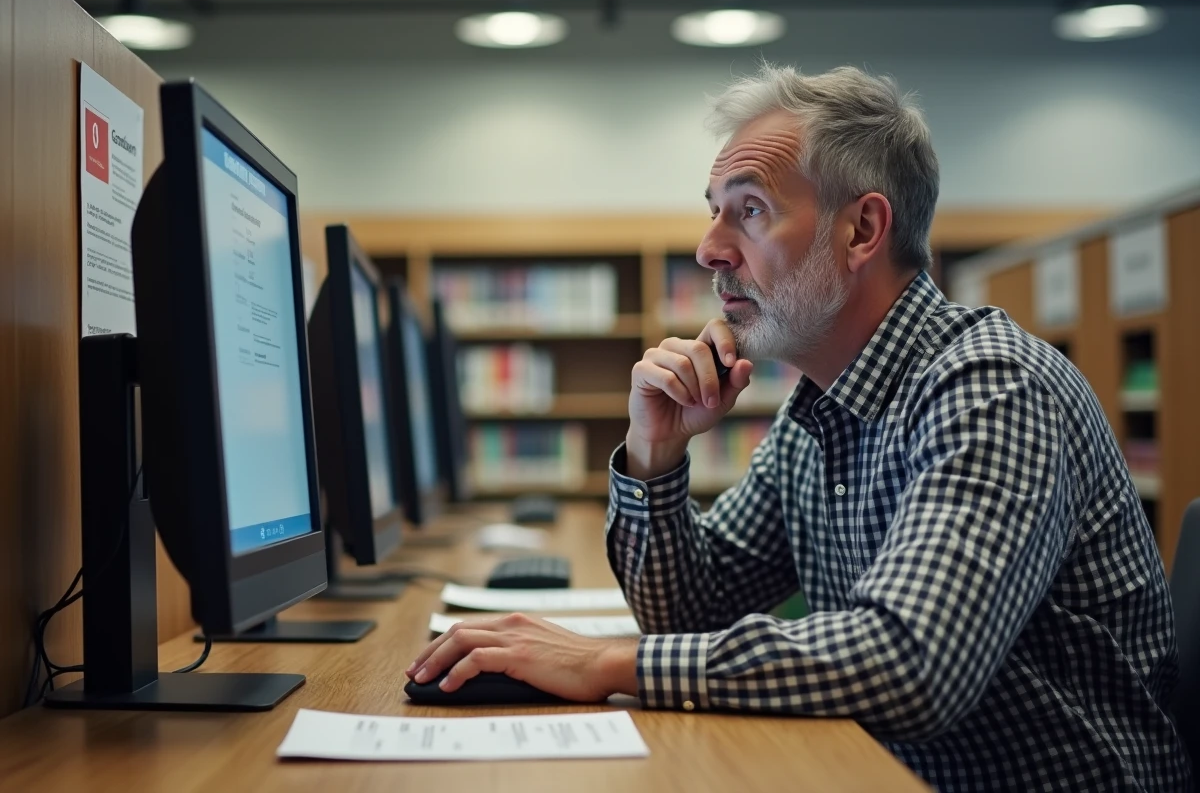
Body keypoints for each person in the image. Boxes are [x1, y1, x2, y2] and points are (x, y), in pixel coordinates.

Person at [407, 64, 1191, 790]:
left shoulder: (992, 386)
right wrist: (656, 458)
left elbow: (909, 663)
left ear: (861, 231)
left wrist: (605, 661)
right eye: (714, 213)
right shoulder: (817, 409)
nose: (709, 248)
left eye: (749, 211)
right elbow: (693, 617)